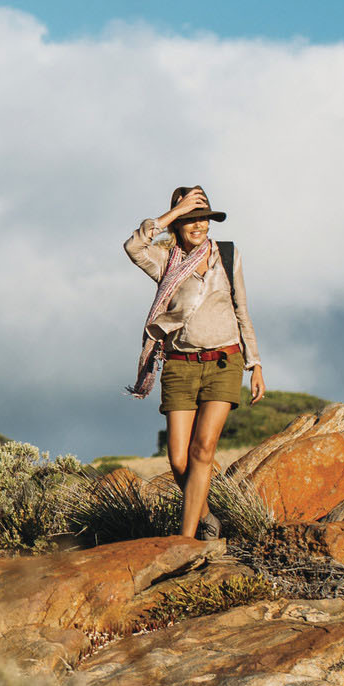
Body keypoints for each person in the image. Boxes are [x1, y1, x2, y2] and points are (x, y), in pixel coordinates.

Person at [125, 185, 265, 540]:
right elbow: (133, 246)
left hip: (224, 362)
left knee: (202, 450)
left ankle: (187, 540)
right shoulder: (164, 260)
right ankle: (206, 515)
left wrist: (255, 364)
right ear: (177, 225)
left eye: (202, 218)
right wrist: (171, 214)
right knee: (178, 460)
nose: (198, 225)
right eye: (190, 219)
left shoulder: (227, 255)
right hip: (179, 365)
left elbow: (241, 309)